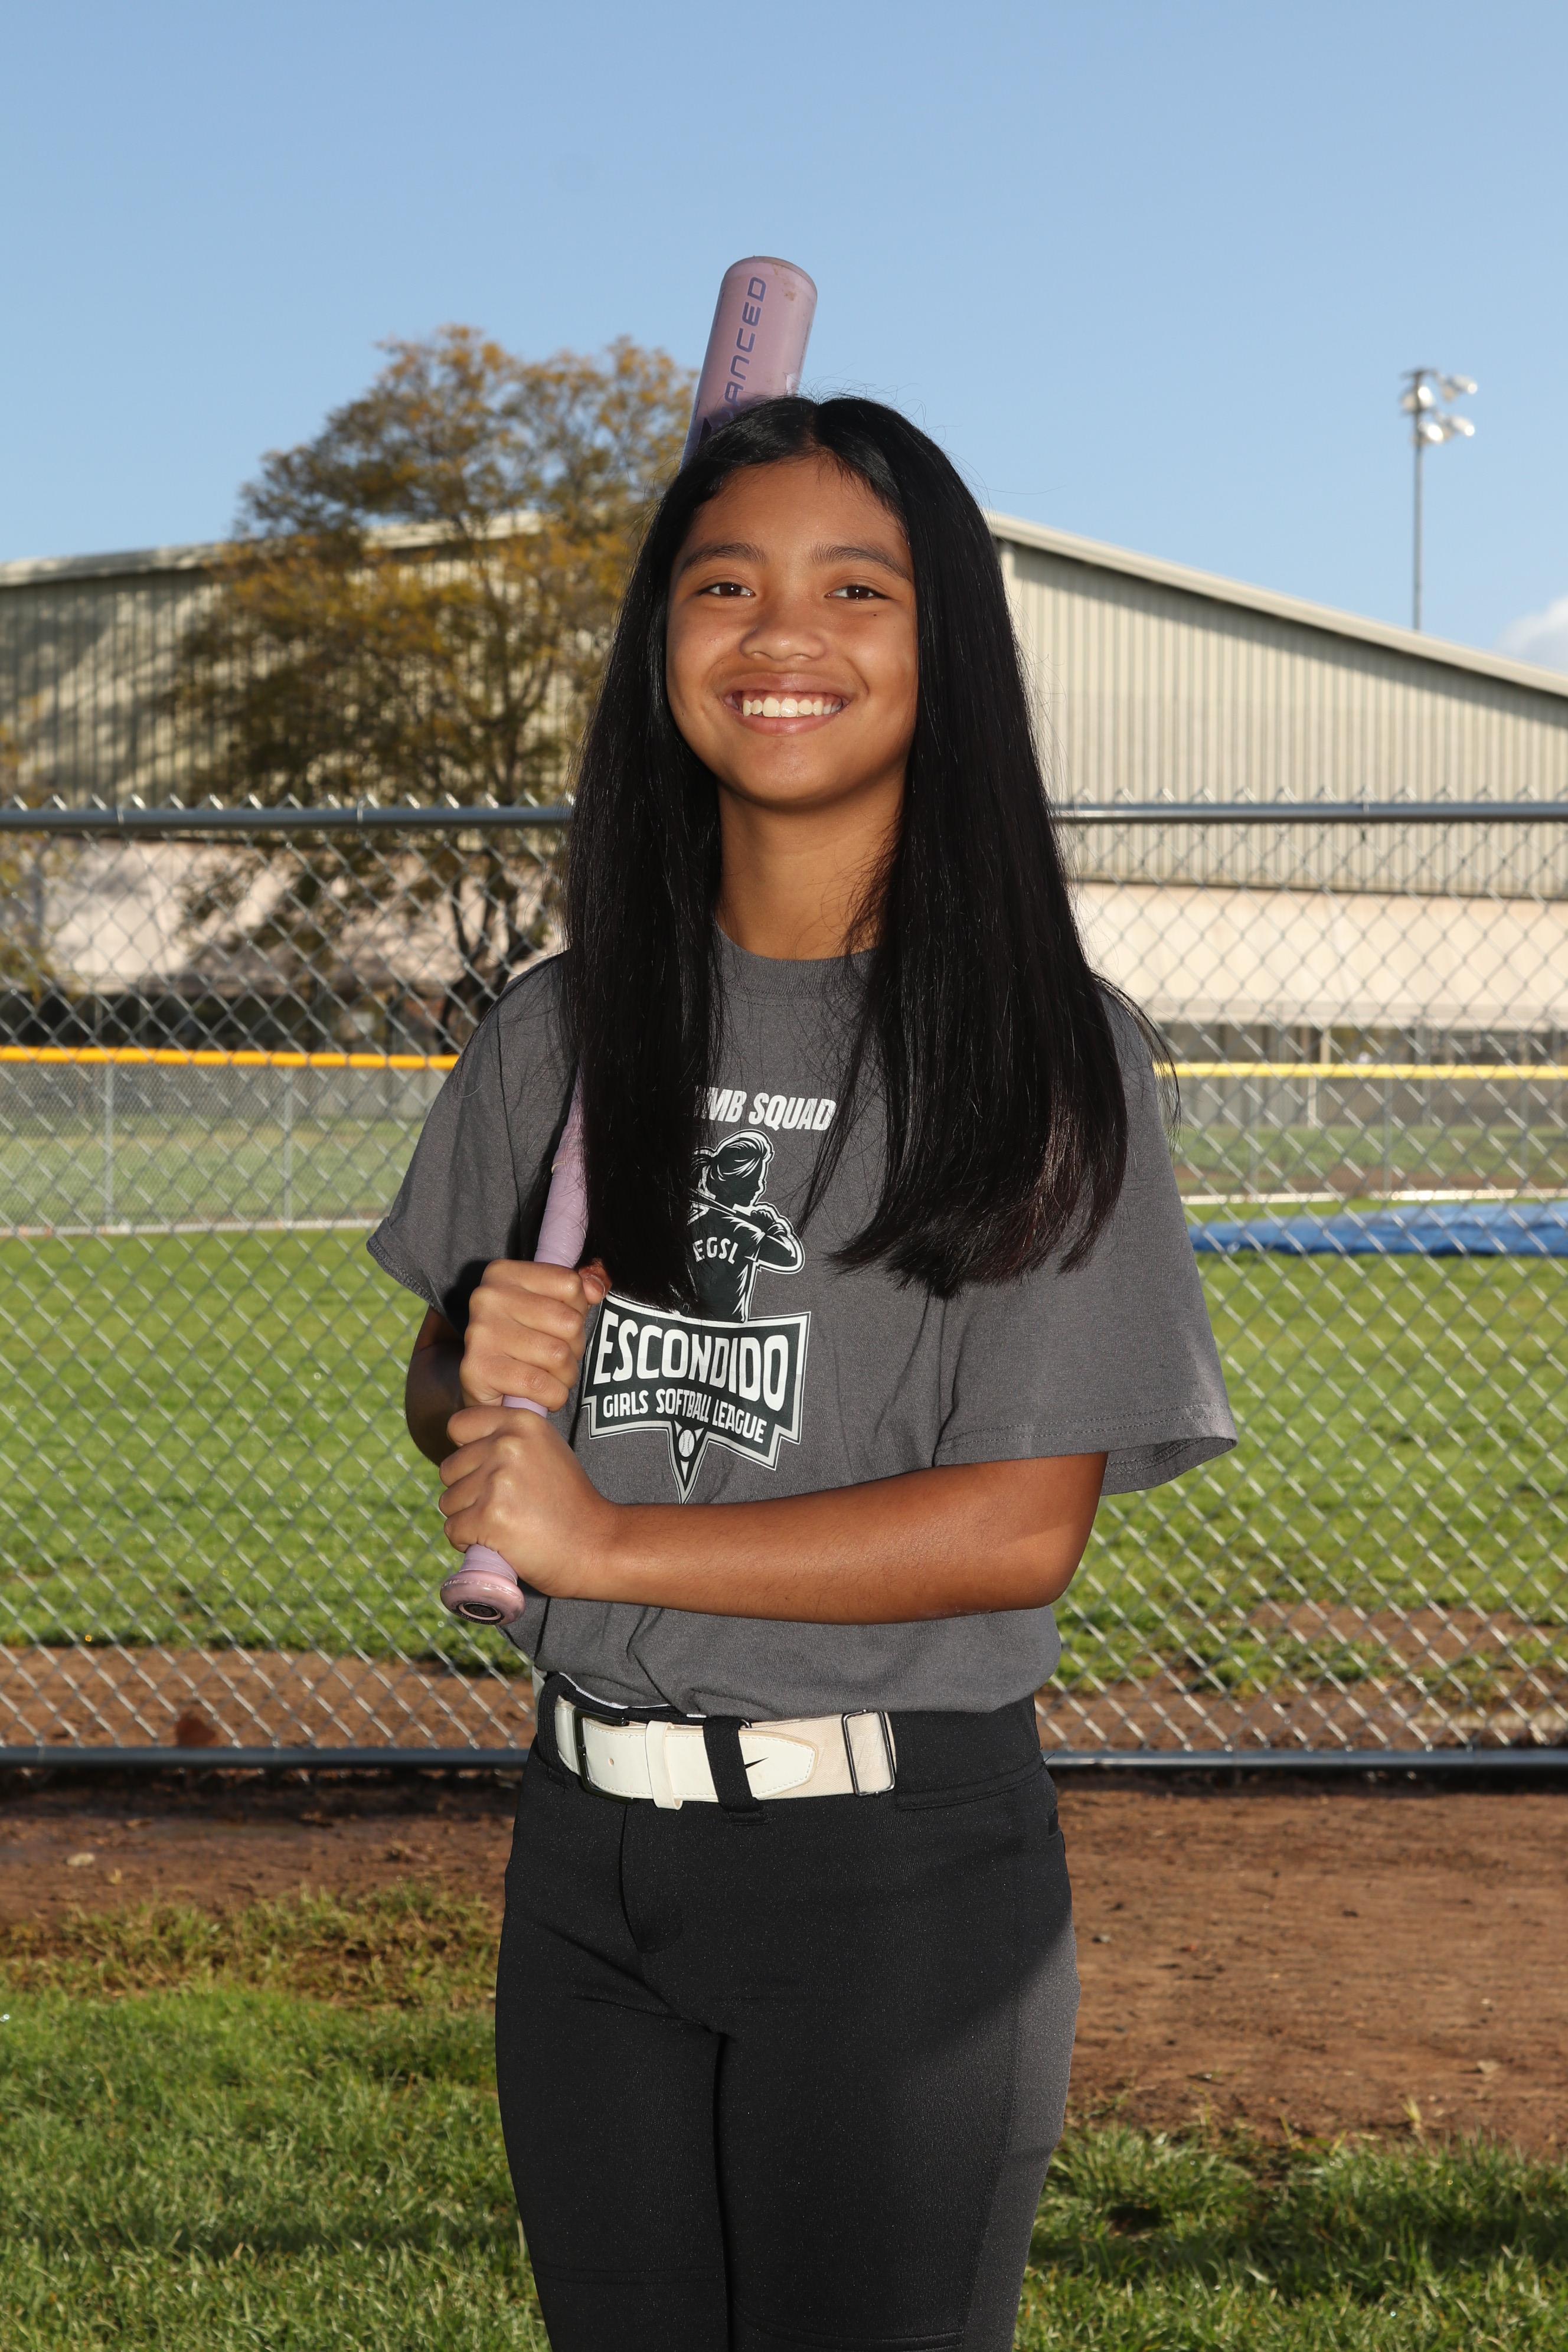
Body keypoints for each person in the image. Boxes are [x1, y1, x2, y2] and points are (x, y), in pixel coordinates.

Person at [370, 397, 1235, 2352]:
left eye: (858, 590)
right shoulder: (562, 1028)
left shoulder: (1041, 1051)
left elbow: (1016, 1529)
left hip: (891, 1870)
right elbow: (457, 1396)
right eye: (724, 586)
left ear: (950, 654)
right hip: (586, 1852)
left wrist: (603, 1543)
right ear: (661, 642)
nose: (782, 636)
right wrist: (464, 1371)